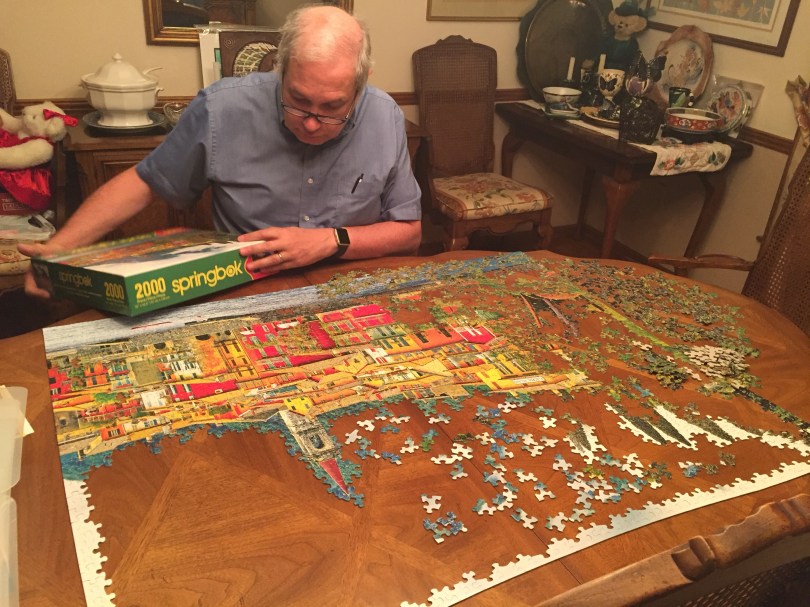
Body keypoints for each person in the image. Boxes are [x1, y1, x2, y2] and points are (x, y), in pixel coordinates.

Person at [19, 4, 422, 298]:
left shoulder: (385, 116)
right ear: (280, 67)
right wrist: (60, 248)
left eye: (332, 107)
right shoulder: (221, 109)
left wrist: (330, 241)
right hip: (246, 288)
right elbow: (145, 182)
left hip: (353, 286)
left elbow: (409, 233)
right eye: (298, 101)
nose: (312, 122)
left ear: (362, 82)